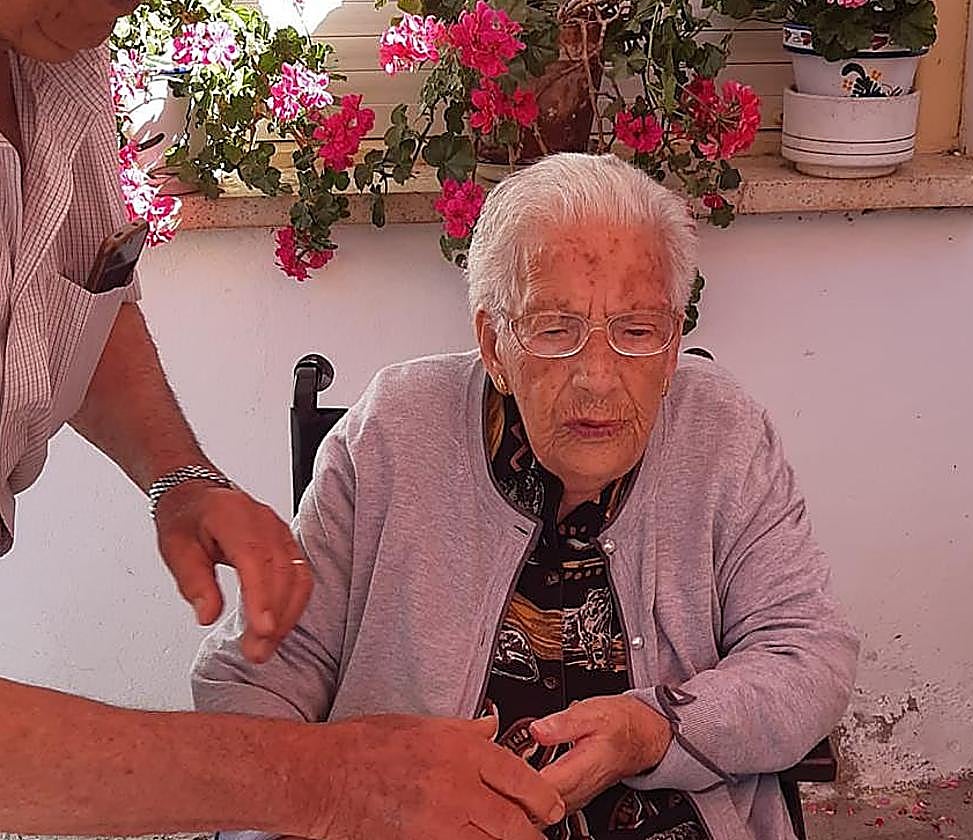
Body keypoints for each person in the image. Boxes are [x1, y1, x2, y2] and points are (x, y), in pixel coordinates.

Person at [0, 3, 564, 838]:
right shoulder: (394, 432)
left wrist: (179, 476)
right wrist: (327, 783)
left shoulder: (59, 57)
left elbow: (81, 285)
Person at [193, 153, 861, 839]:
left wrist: (655, 727)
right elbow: (261, 673)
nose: (598, 378)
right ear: (494, 343)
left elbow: (807, 652)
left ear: (671, 347)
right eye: (554, 330)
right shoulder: (393, 431)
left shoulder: (723, 434)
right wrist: (320, 799)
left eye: (636, 331)